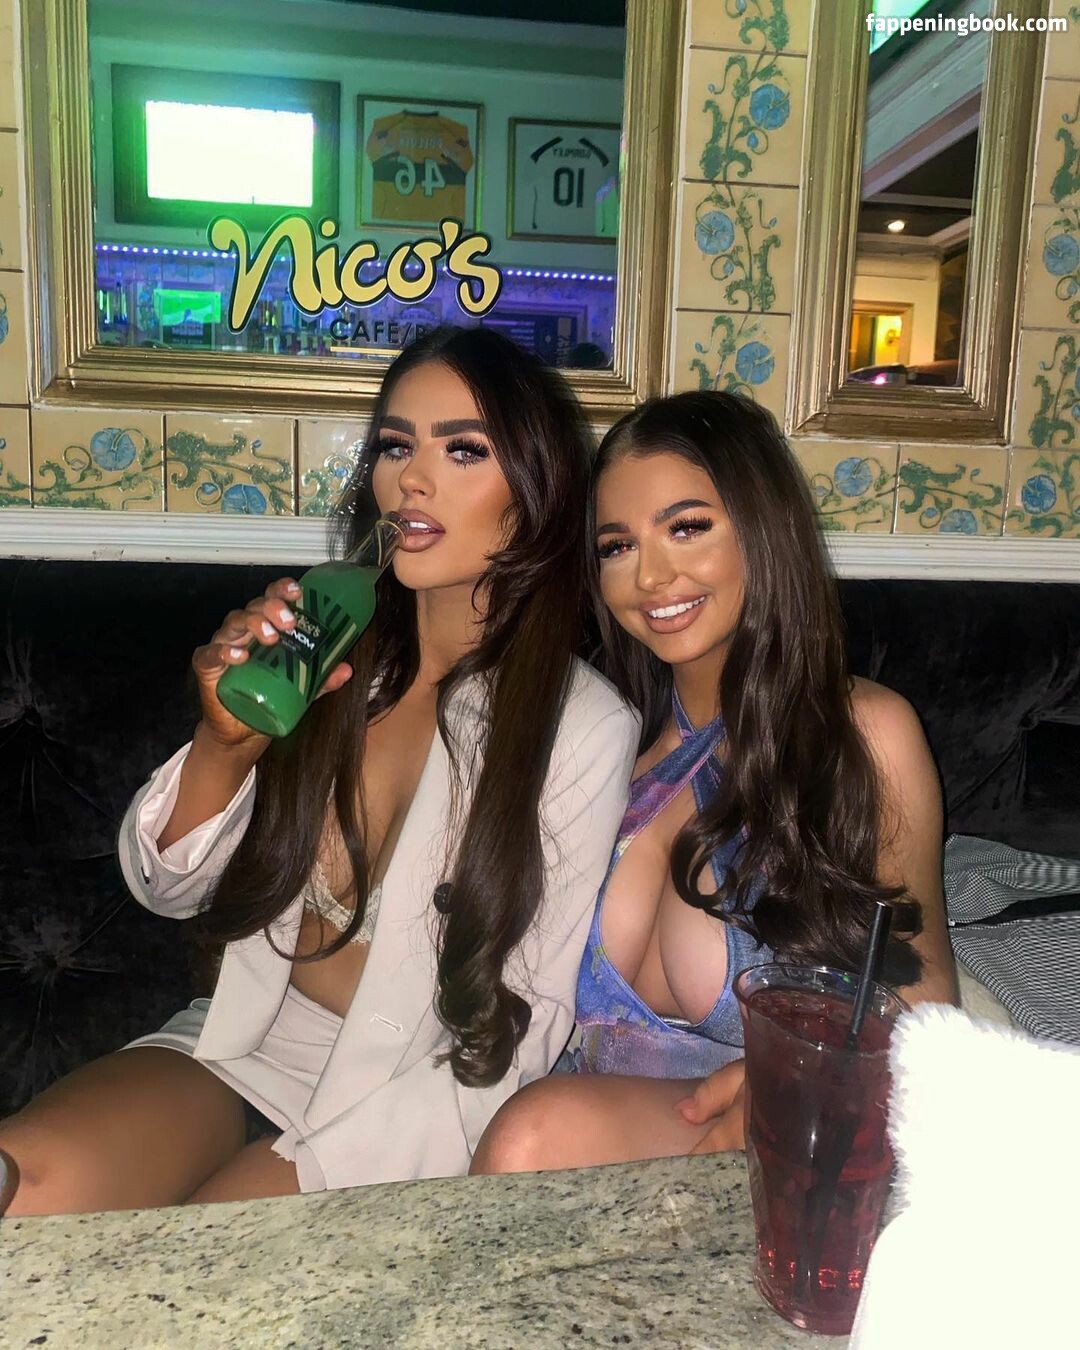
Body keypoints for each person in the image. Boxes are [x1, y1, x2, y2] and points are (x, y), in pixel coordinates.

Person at [0, 327, 639, 1214]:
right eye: (395, 446)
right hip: (243, 1042)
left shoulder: (582, 726)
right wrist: (225, 745)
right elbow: (168, 888)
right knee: (19, 1184)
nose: (412, 479)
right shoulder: (326, 653)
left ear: (537, 490)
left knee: (192, 1260)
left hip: (405, 1100)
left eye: (463, 449)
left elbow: (524, 1029)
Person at [470, 390, 959, 1175]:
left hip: (782, 1133)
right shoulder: (599, 741)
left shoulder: (863, 732)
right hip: (576, 1131)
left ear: (761, 529)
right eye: (617, 546)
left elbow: (926, 993)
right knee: (530, 1131)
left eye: (687, 527)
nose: (650, 575)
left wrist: (807, 1078)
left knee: (535, 1133)